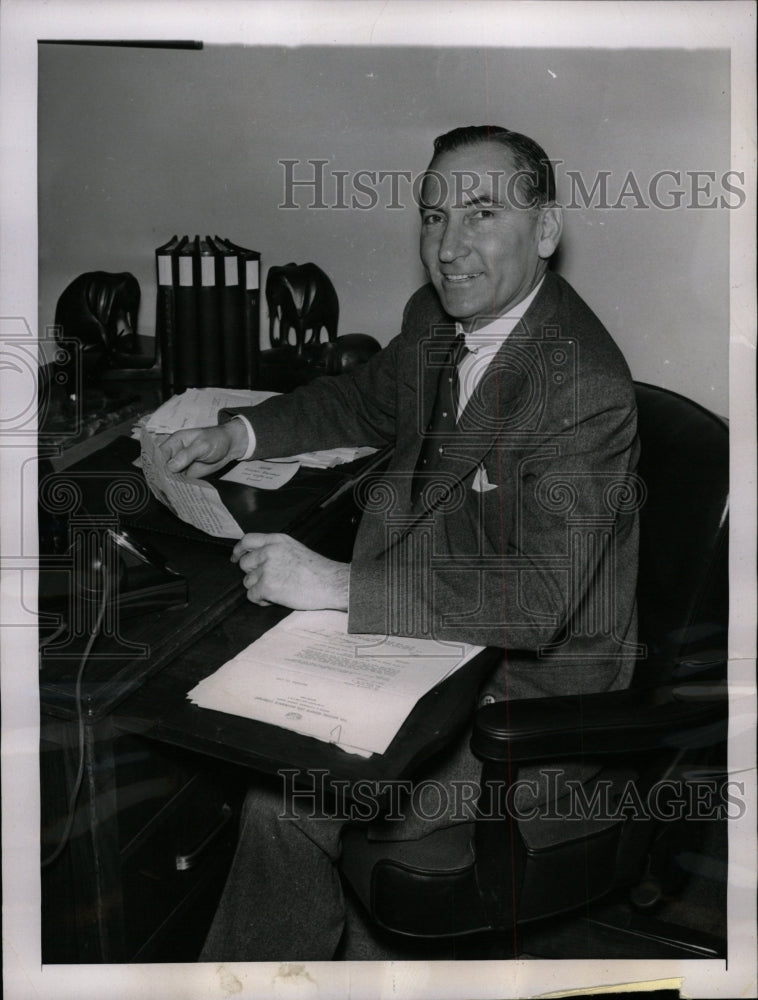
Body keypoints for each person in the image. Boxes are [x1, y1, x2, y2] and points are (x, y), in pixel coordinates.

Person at [162, 125, 640, 960]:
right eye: (432, 217)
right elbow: (361, 402)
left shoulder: (583, 389)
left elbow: (536, 600)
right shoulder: (436, 320)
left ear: (547, 233)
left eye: (482, 214)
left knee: (284, 799)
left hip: (523, 701)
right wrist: (238, 434)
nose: (448, 248)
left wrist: (337, 583)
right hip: (426, 650)